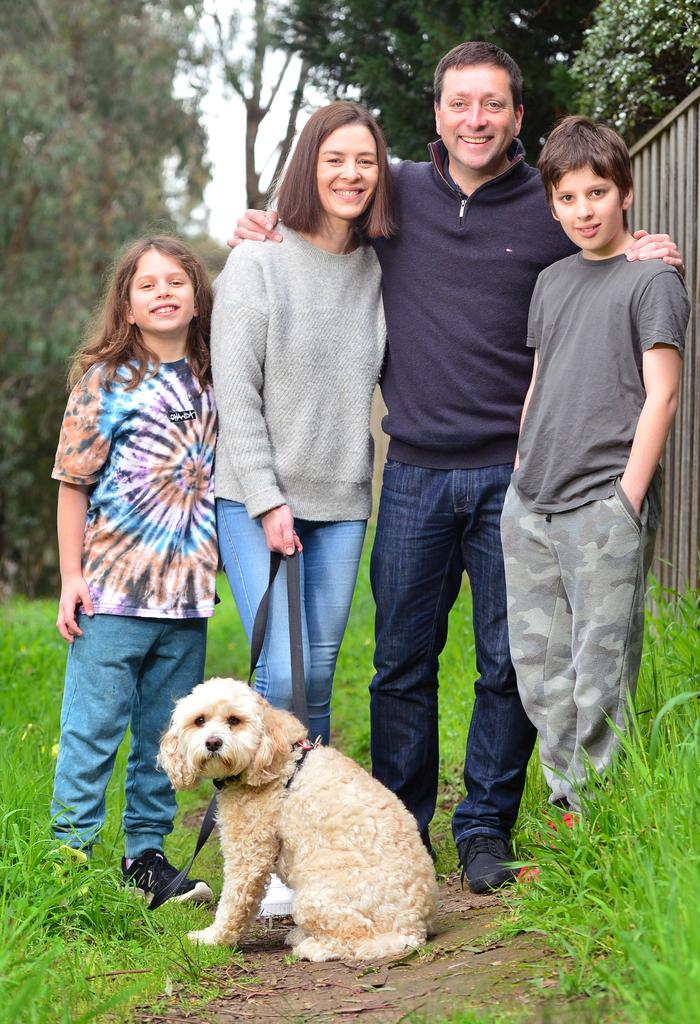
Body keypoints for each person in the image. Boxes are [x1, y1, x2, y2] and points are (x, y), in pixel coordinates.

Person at [231, 41, 683, 893]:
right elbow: (325, 204)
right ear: (436, 114)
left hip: (516, 478)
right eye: (460, 104)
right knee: (401, 659)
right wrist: (260, 225)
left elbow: (599, 243)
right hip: (412, 473)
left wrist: (640, 250)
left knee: (507, 663)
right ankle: (404, 830)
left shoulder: (546, 206)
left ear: (517, 117)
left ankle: (484, 828)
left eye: (493, 105)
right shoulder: (396, 191)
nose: (476, 119)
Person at [211, 101, 392, 914]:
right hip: (257, 500)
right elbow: (235, 395)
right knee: (278, 672)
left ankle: (296, 856)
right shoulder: (256, 262)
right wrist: (267, 498)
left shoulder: (381, 266)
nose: (351, 174)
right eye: (335, 159)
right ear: (307, 166)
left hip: (344, 497)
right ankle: (252, 854)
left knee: (315, 677)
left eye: (365, 161)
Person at [501, 116, 689, 813]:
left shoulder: (652, 279)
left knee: (598, 674)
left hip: (602, 505)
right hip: (532, 503)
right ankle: (567, 802)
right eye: (570, 197)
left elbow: (662, 394)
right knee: (542, 674)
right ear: (552, 204)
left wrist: (627, 501)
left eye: (598, 193)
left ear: (626, 192)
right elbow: (540, 382)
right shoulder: (551, 281)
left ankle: (602, 819)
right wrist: (520, 473)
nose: (585, 210)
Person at [51, 236, 217, 904]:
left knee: (162, 739)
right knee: (91, 732)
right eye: (147, 284)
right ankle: (67, 860)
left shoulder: (214, 375)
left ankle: (145, 859)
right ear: (126, 304)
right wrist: (70, 576)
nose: (164, 293)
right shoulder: (105, 383)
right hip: (113, 595)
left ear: (198, 296)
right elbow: (71, 482)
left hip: (186, 600)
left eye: (177, 281)